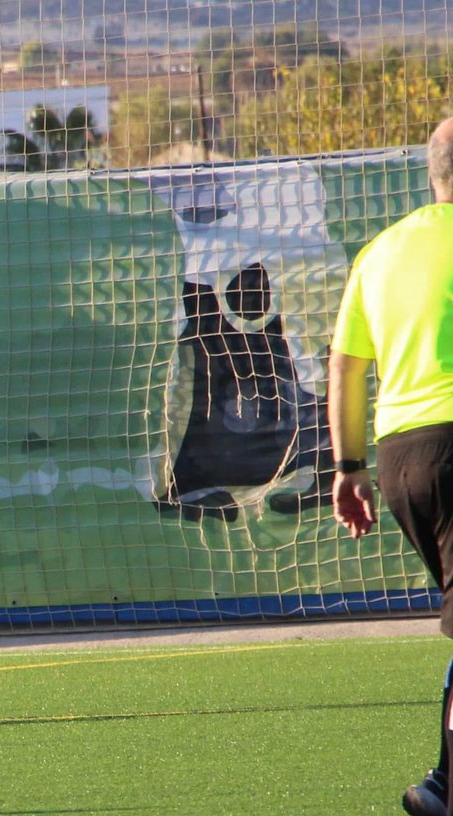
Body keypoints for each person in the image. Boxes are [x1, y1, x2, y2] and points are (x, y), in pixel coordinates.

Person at [329, 118, 453, 816]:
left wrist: (349, 469)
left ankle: (442, 784)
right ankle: (445, 788)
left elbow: (346, 365)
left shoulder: (380, 252)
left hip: (402, 455)